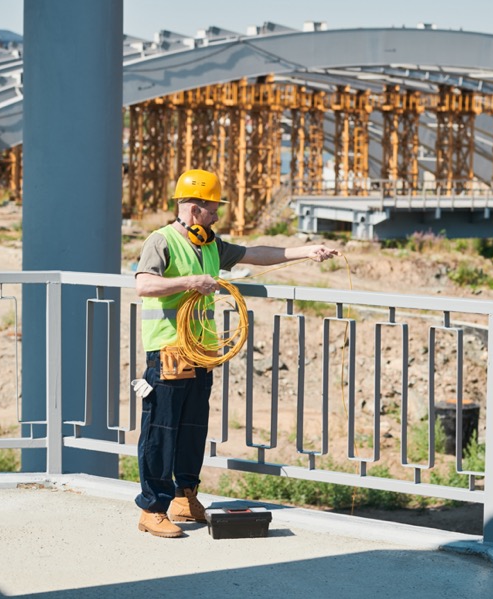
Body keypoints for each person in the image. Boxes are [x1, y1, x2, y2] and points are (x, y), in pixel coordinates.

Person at [133, 168, 340, 538]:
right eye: (214, 209)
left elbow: (256, 253)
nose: (218, 216)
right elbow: (144, 285)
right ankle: (153, 508)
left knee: (193, 430)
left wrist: (306, 252)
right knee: (161, 431)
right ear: (194, 209)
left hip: (201, 354)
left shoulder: (211, 244)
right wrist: (189, 282)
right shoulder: (160, 241)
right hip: (167, 353)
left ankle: (185, 496)